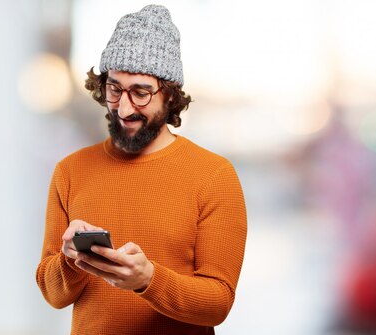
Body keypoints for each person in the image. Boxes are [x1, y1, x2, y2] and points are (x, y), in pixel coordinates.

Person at [35, 5, 247, 334]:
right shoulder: (70, 171)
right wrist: (71, 261)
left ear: (170, 95)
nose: (124, 107)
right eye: (114, 88)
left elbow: (218, 303)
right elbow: (53, 295)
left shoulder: (214, 176)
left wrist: (148, 279)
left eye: (141, 92)